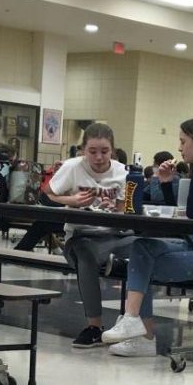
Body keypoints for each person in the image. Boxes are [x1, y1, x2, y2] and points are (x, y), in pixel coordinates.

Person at [101, 117, 193, 356]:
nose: (179, 148)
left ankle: (142, 332)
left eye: (183, 141)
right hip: (190, 244)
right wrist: (167, 185)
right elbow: (185, 216)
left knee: (141, 262)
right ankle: (135, 323)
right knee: (142, 249)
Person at [44, 123, 134, 348]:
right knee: (86, 256)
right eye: (92, 151)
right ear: (83, 150)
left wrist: (114, 209)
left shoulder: (123, 172)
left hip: (115, 236)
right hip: (82, 237)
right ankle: (95, 326)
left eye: (104, 151)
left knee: (146, 248)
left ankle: (138, 324)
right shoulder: (73, 167)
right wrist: (71, 202)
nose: (99, 157)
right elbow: (47, 197)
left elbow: (126, 210)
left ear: (112, 150)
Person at [13, 160, 65, 252]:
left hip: (69, 218)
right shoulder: (54, 182)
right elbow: (46, 198)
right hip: (56, 215)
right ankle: (60, 250)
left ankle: (20, 251)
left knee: (41, 223)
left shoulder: (70, 182)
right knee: (41, 222)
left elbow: (53, 202)